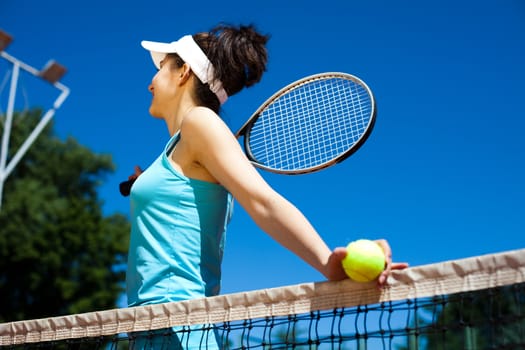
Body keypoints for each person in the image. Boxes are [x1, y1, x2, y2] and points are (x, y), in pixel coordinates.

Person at [125, 23, 408, 349]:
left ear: (183, 71)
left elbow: (261, 201)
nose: (150, 83)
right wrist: (146, 183)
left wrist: (326, 261)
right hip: (154, 326)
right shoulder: (179, 146)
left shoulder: (199, 122)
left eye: (161, 68)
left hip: (175, 324)